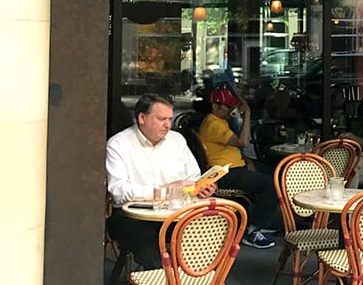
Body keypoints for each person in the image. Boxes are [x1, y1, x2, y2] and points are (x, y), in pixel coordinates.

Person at [106, 95, 217, 270]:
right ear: (142, 118)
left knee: (210, 239)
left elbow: (194, 177)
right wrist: (161, 191)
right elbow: (118, 190)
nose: (168, 125)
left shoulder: (177, 140)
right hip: (133, 215)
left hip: (176, 214)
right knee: (150, 251)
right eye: (161, 119)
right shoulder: (118, 144)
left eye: (170, 119)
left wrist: (202, 188)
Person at [198, 88, 278, 249]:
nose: (231, 110)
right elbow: (243, 142)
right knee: (269, 183)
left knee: (276, 173)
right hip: (222, 173)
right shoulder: (213, 124)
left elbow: (233, 148)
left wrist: (246, 159)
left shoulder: (220, 121)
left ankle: (261, 219)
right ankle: (252, 230)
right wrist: (247, 114)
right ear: (215, 106)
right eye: (227, 106)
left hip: (235, 166)